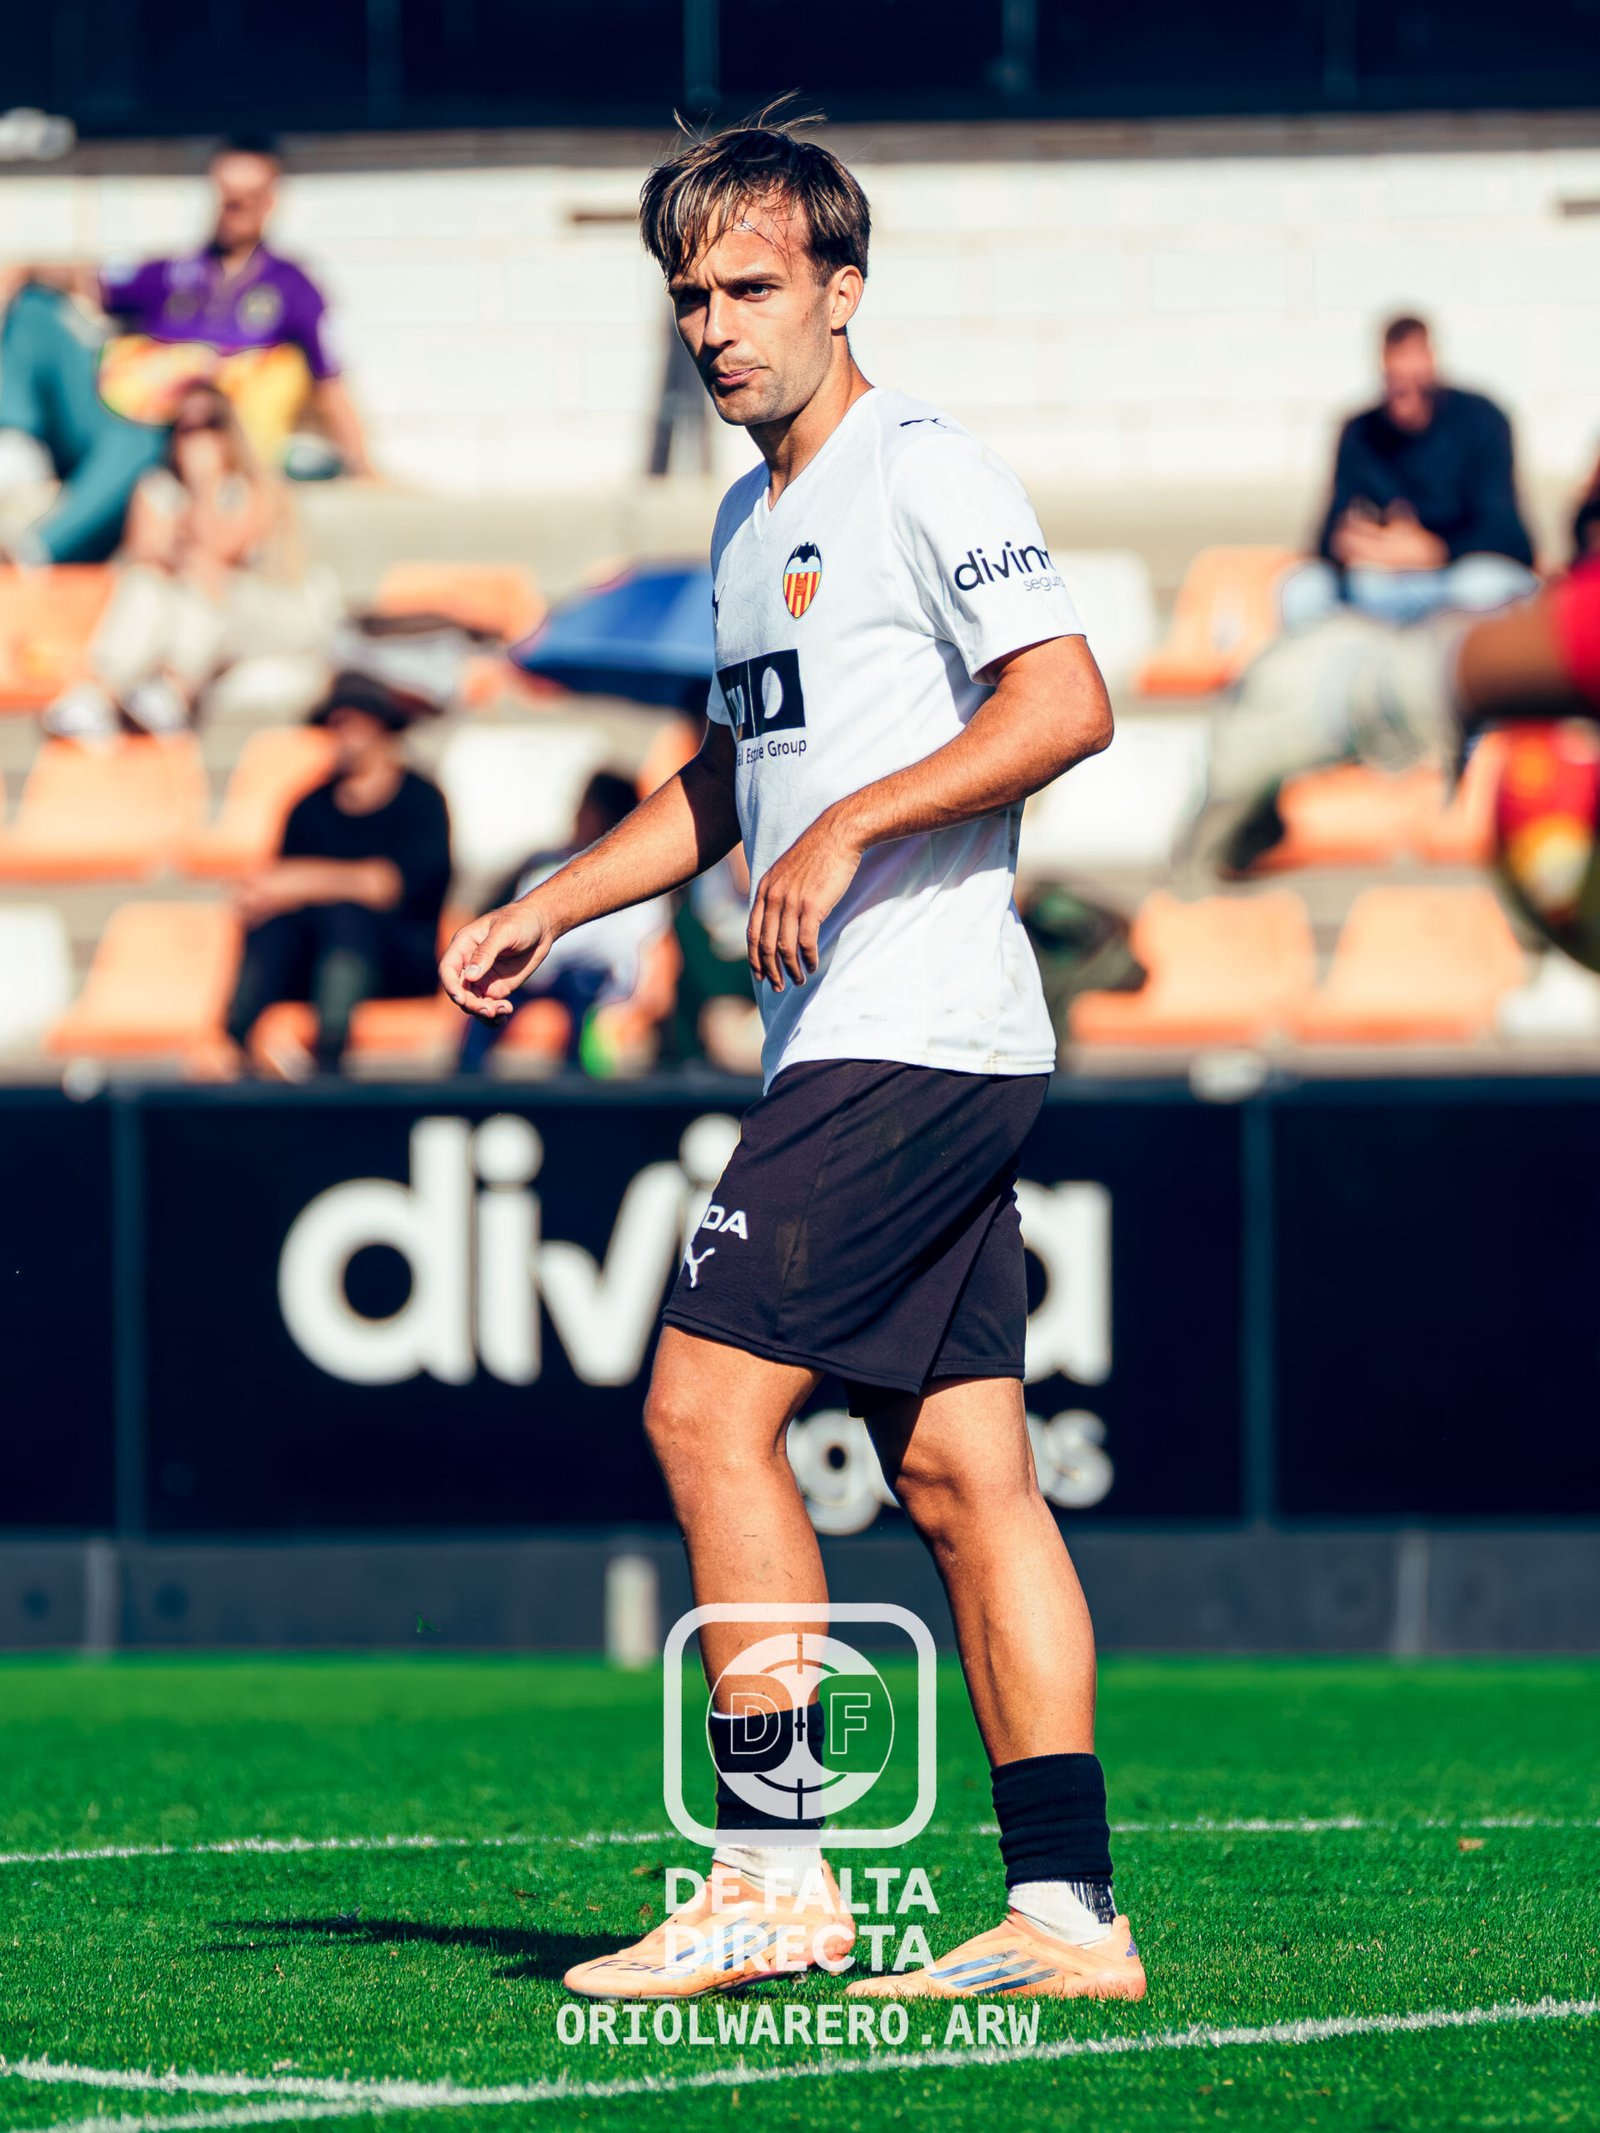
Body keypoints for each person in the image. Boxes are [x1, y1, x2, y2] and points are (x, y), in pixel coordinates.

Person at [442, 117, 1139, 2003]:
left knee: (701, 1409)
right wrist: (559, 896)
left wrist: (851, 836)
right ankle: (1069, 1915)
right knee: (961, 1470)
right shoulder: (753, 525)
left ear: (842, 291)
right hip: (885, 1039)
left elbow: (1065, 696)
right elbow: (737, 789)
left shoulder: (921, 465)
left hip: (911, 1028)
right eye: (693, 293)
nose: (718, 326)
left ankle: (777, 1871)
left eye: (753, 287)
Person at [0, 137, 372, 563]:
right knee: (35, 308)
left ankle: (35, 550)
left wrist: (364, 464)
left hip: (191, 433)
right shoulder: (173, 273)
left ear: (270, 201)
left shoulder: (294, 288)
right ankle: (14, 440)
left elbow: (331, 380)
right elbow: (92, 281)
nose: (234, 208)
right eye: (226, 195)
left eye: (247, 198)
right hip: (125, 407)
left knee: (144, 439)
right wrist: (24, 269)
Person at [45, 381, 338, 740]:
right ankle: (99, 694)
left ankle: (173, 688)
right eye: (185, 426)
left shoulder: (256, 488)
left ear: (230, 429)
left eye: (211, 423)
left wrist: (203, 485)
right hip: (191, 604)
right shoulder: (157, 488)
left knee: (202, 580)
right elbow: (146, 554)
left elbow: (217, 551)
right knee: (147, 585)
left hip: (264, 612)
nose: (197, 437)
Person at [224, 672, 448, 1077]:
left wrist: (303, 882)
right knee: (273, 930)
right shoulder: (309, 805)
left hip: (396, 964)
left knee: (345, 921)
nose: (341, 734)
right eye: (335, 723)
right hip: (310, 958)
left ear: (382, 728)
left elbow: (388, 885)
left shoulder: (421, 802)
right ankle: (238, 1043)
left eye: (353, 723)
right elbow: (273, 886)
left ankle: (330, 1057)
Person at [1282, 316, 1537, 631]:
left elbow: (1508, 535)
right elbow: (1327, 534)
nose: (1406, 394)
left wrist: (1433, 550)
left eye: (1415, 379)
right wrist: (1362, 546)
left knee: (1480, 587)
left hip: (1456, 575)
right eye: (1397, 381)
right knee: (1303, 590)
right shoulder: (1360, 432)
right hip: (1380, 581)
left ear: (1432, 364)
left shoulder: (1481, 420)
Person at [458, 770, 675, 1073]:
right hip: (538, 975)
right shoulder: (543, 868)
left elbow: (654, 962)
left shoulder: (646, 885)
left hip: (597, 986)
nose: (578, 815)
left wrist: (634, 1012)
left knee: (582, 989)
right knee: (488, 1001)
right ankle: (465, 1084)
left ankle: (579, 1086)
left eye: (589, 807)